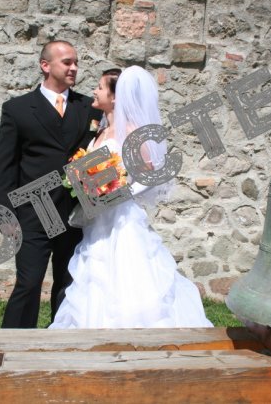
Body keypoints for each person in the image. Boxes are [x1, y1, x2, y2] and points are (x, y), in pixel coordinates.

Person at [49, 66, 214, 328]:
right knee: (96, 273)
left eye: (100, 87)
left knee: (124, 273)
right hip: (97, 219)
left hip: (121, 219)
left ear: (115, 97)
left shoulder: (132, 132)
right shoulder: (101, 129)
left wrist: (116, 193)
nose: (95, 91)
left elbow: (150, 175)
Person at [0, 41, 102, 328]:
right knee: (28, 283)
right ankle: (12, 343)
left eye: (76, 62)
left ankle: (60, 340)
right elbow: (5, 166)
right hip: (33, 212)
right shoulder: (17, 109)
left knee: (68, 284)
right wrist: (4, 215)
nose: (74, 68)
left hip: (75, 212)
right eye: (67, 62)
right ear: (45, 65)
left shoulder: (89, 108)